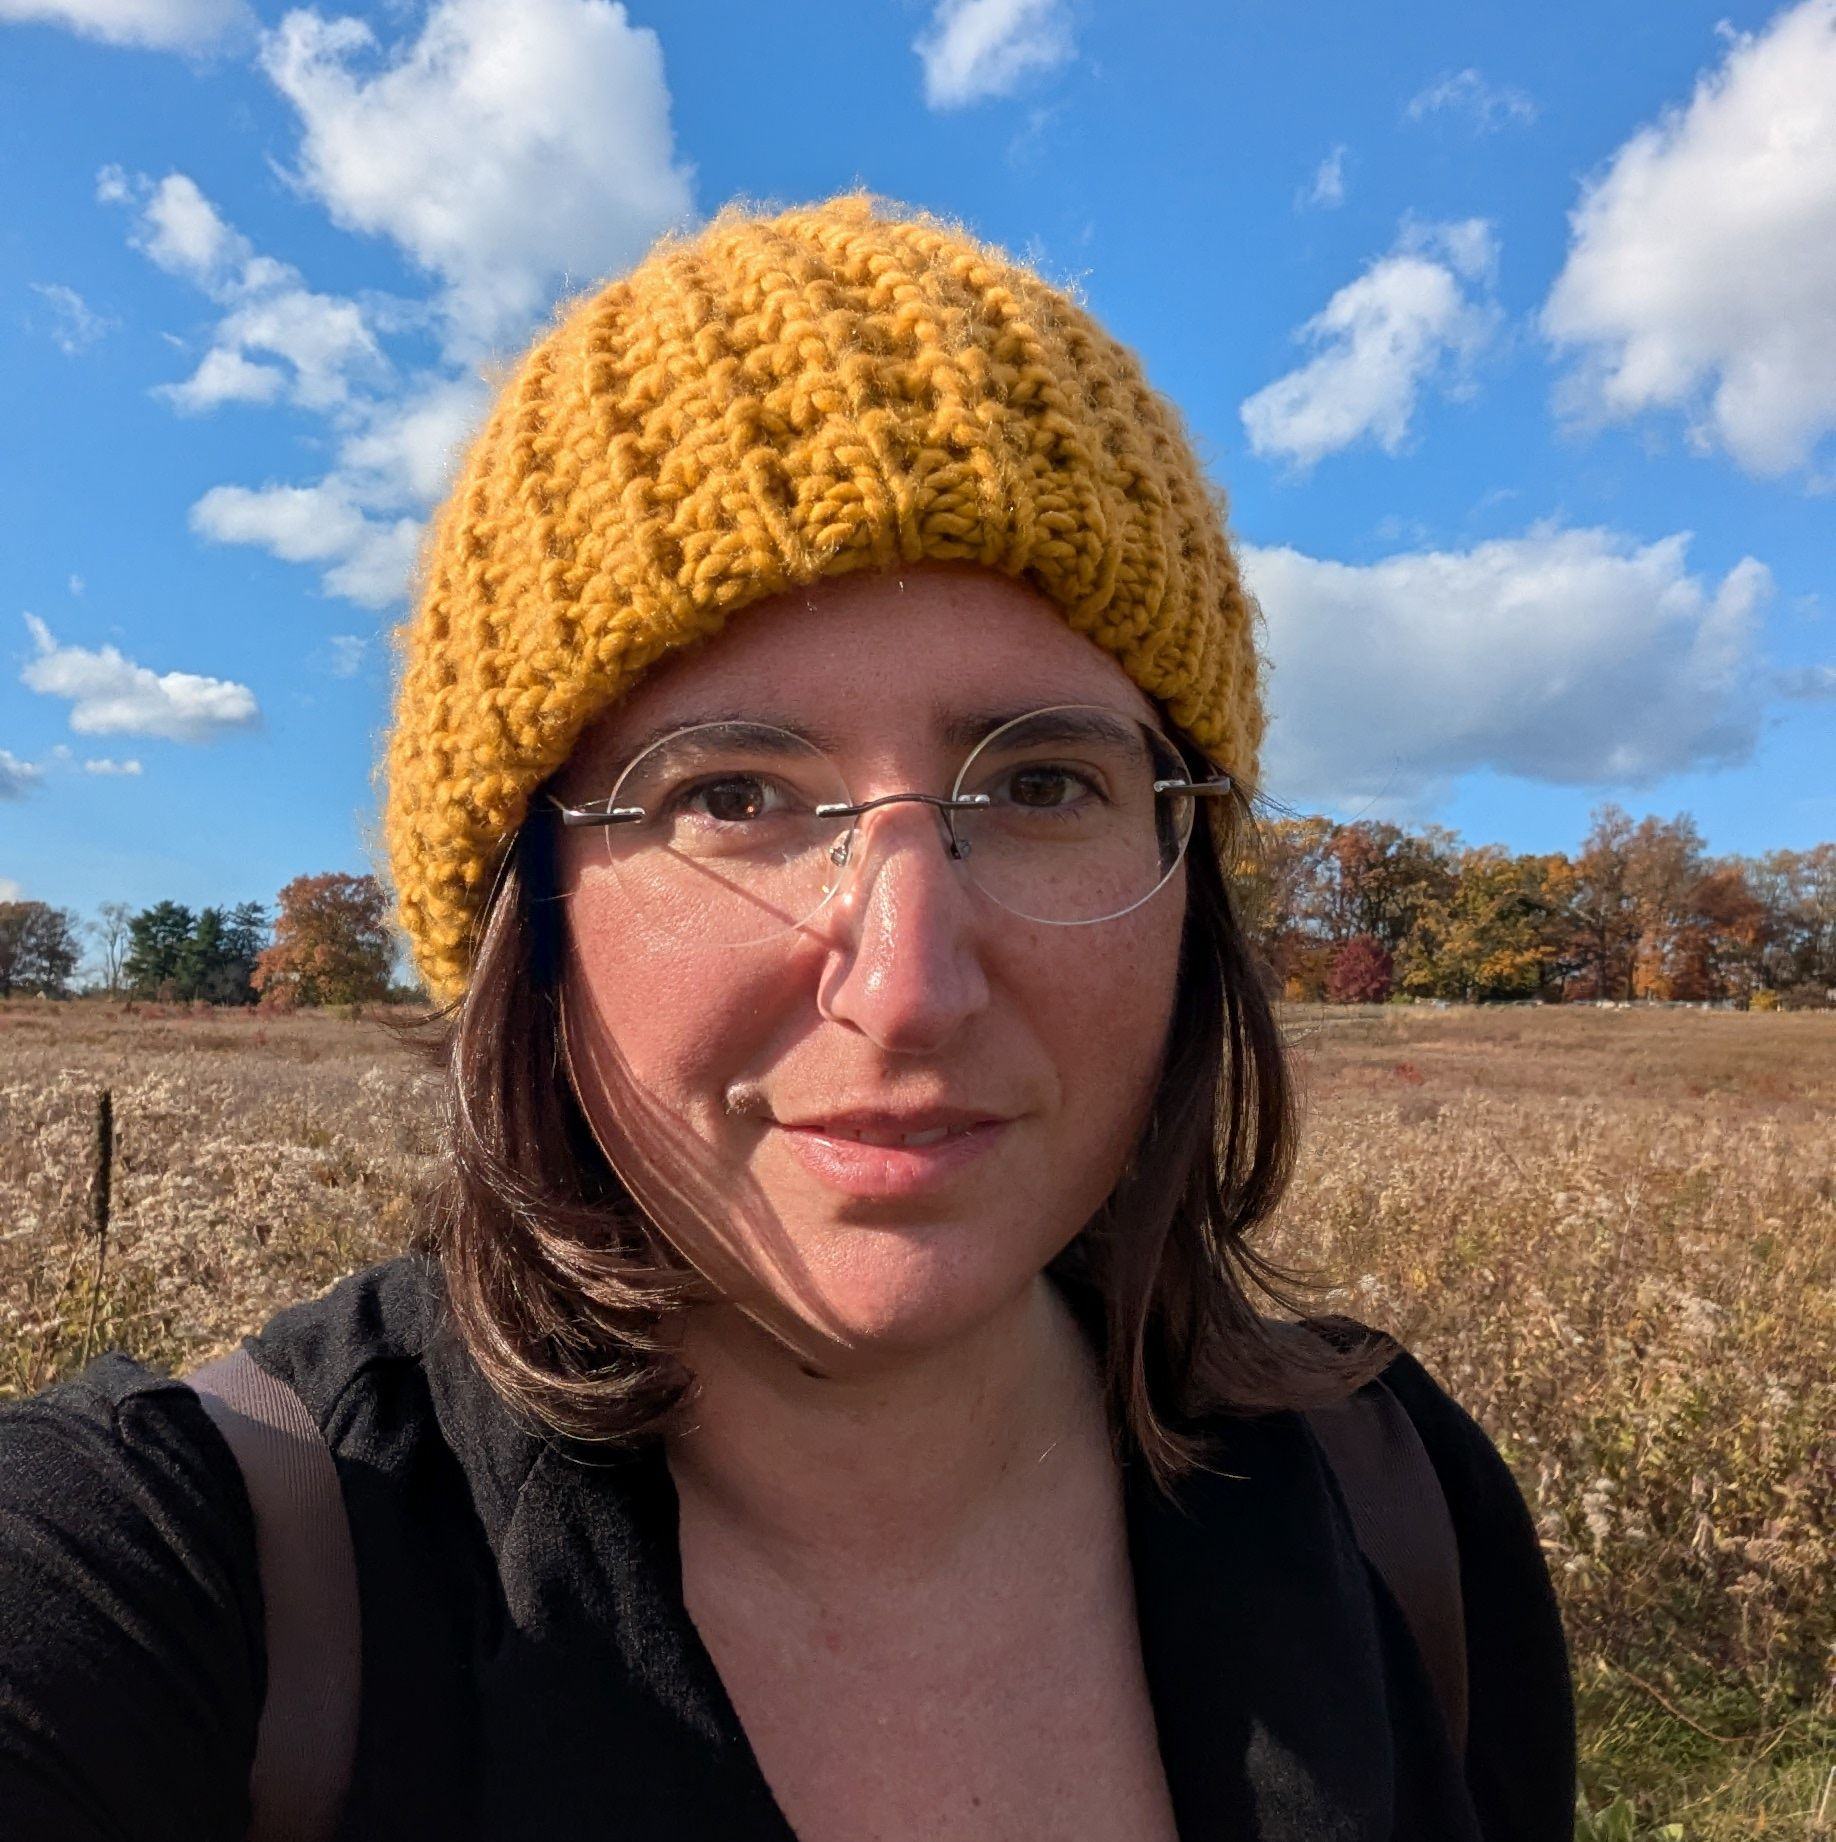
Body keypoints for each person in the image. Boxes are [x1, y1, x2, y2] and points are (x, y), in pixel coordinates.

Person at [0, 193, 1575, 1841]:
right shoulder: (198, 1592)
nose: (906, 982)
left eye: (1044, 782)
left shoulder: (1401, 1508)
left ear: (1188, 866)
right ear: (520, 911)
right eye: (733, 791)